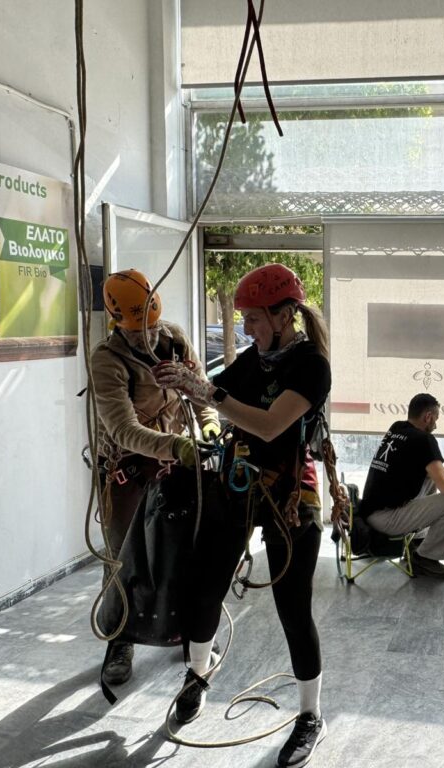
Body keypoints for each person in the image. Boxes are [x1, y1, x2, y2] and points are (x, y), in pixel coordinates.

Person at [152, 263, 332, 768]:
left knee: (292, 606)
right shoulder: (254, 360)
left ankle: (311, 715)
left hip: (290, 490)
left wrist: (207, 392)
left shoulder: (311, 365)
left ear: (283, 315)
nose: (246, 328)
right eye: (245, 319)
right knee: (204, 587)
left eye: (253, 318)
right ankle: (197, 674)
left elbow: (271, 426)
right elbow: (217, 395)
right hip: (239, 480)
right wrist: (182, 379)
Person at [91, 268, 221, 688]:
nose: (146, 336)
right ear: (119, 322)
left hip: (176, 463)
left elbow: (200, 390)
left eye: (150, 326)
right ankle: (119, 640)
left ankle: (190, 635)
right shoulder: (107, 359)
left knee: (183, 552)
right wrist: (176, 447)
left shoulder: (175, 339)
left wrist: (210, 422)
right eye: (137, 330)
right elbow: (122, 430)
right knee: (122, 559)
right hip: (128, 469)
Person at [357, 393, 444, 580]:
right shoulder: (425, 439)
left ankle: (417, 542)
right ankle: (425, 559)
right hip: (386, 519)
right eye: (436, 419)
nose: (435, 425)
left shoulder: (397, 428)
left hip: (369, 511)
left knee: (430, 478)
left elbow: (419, 467)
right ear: (428, 416)